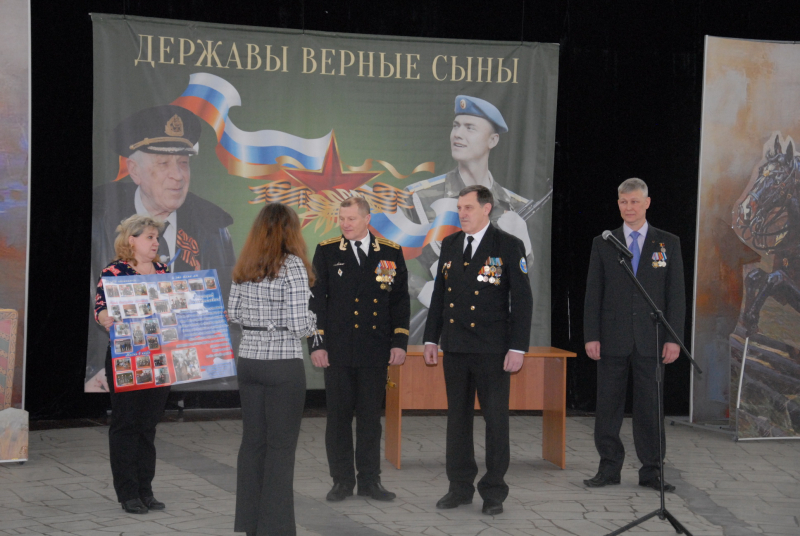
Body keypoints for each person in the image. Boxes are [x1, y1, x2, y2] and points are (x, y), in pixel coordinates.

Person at [86, 104, 236, 391]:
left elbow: (226, 309)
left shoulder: (213, 226)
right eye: (163, 164)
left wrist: (217, 366)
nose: (178, 176)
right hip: (115, 369)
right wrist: (94, 368)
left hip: (192, 375)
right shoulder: (97, 218)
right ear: (134, 171)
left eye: (183, 163)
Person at [422, 185, 533, 516]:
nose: (463, 213)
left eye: (469, 207)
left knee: (496, 420)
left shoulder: (508, 246)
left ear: (487, 209)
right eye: (459, 208)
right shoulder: (451, 244)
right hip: (455, 347)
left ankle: (494, 490)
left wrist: (518, 347)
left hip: (493, 350)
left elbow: (523, 300)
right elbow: (440, 294)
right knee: (457, 420)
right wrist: (431, 338)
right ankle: (459, 486)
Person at [583, 177, 686, 492]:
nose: (629, 207)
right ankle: (609, 468)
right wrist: (591, 335)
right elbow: (593, 293)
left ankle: (652, 472)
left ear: (647, 203)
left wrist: (674, 338)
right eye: (624, 202)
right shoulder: (604, 242)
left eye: (635, 202)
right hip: (612, 338)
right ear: (618, 204)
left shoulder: (668, 242)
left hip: (652, 339)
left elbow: (676, 295)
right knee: (608, 407)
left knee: (650, 409)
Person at [308, 196, 410, 503]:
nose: (345, 224)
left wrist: (399, 341)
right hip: (337, 351)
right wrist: (318, 343)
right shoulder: (327, 251)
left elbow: (399, 301)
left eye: (351, 219)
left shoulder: (389, 253)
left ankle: (370, 481)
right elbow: (317, 302)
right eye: (341, 218)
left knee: (369, 419)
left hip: (374, 350)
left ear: (367, 220)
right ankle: (341, 481)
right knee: (338, 418)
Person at [227, 203, 317, 536]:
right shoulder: (292, 266)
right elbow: (299, 324)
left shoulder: (246, 263)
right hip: (283, 365)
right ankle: (276, 529)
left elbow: (232, 313)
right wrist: (314, 321)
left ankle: (251, 525)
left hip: (248, 361)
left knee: (252, 443)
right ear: (290, 231)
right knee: (281, 447)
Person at [94, 214, 171, 514]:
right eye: (150, 237)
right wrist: (104, 318)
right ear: (132, 240)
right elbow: (100, 307)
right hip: (126, 357)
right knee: (126, 424)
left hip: (159, 356)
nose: (155, 242)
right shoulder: (114, 271)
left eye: (156, 237)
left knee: (148, 425)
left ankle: (146, 490)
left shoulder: (163, 269)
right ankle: (127, 493)